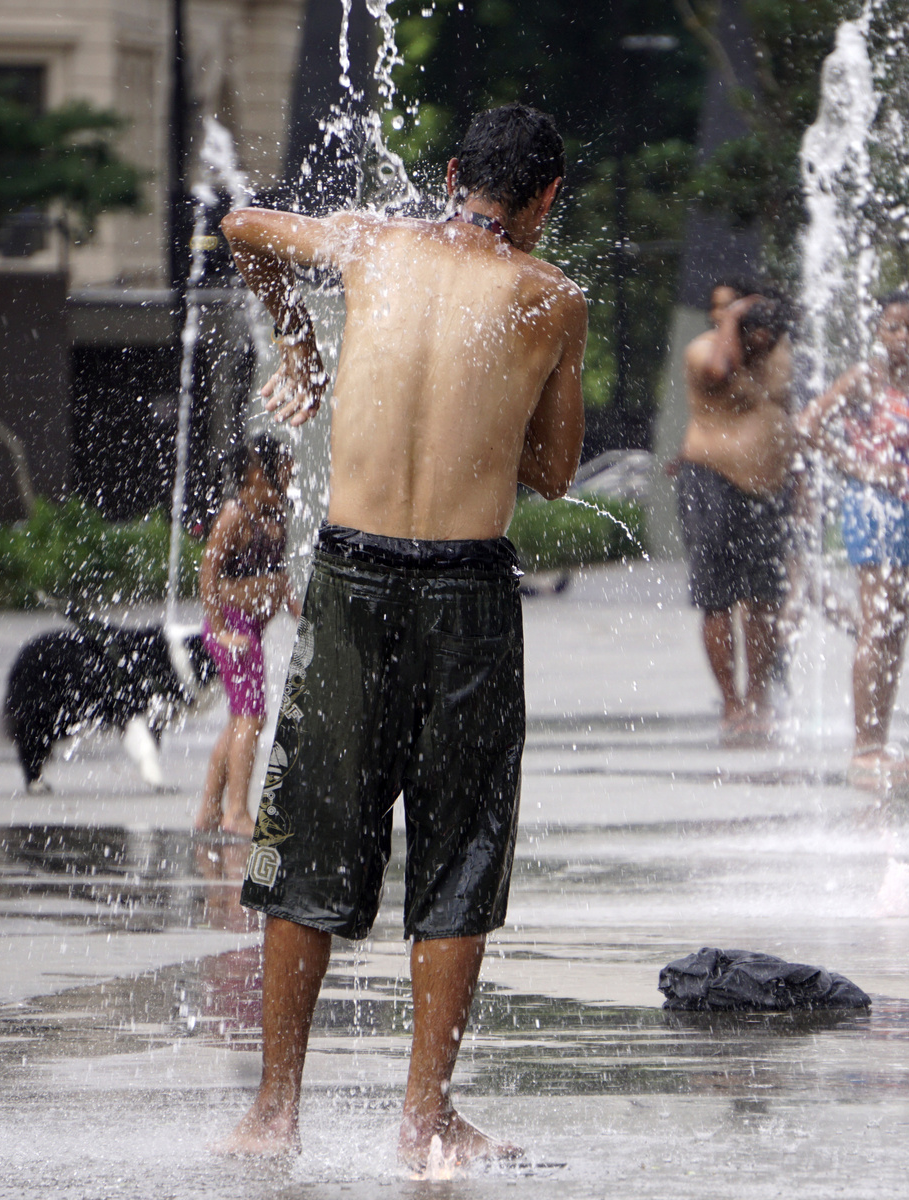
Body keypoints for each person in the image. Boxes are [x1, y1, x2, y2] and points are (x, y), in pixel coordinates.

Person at [216, 103, 586, 1166]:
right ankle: (424, 1118)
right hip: (465, 594)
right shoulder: (553, 298)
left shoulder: (370, 243)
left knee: (311, 830)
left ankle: (273, 1111)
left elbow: (243, 227)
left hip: (350, 576)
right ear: (548, 200)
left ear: (458, 172)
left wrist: (304, 348)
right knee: (461, 840)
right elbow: (555, 472)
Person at [799, 292, 909, 792]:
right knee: (876, 626)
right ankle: (864, 749)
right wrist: (863, 468)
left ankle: (879, 742)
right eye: (892, 328)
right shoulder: (864, 377)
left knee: (896, 630)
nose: (902, 338)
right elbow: (810, 424)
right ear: (877, 332)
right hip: (876, 511)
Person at [675, 286, 798, 743]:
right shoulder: (706, 350)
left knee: (765, 601)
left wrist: (798, 483)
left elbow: (787, 407)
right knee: (719, 599)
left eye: (772, 334)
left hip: (768, 492)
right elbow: (720, 369)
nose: (763, 344)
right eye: (755, 335)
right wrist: (731, 319)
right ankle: (732, 702)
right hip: (713, 483)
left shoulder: (776, 352)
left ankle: (761, 696)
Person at [194, 434, 298, 838]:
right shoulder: (234, 516)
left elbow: (278, 573)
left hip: (249, 627)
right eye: (284, 463)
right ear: (256, 472)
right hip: (233, 630)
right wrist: (221, 631)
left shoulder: (274, 512)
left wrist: (295, 609)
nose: (292, 469)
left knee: (241, 719)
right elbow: (208, 573)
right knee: (251, 718)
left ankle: (208, 810)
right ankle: (236, 812)